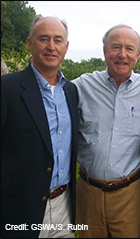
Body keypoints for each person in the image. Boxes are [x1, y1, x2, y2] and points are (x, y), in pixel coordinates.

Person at [73, 24, 140, 238]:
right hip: (88, 192)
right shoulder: (82, 86)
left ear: (138, 55)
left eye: (129, 49)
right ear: (104, 52)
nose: (122, 54)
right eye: (115, 47)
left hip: (130, 193)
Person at [1, 16, 79, 238]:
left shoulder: (71, 91)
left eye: (58, 40)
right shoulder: (7, 89)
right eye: (44, 39)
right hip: (20, 211)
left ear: (66, 47)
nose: (51, 47)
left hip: (64, 206)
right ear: (30, 43)